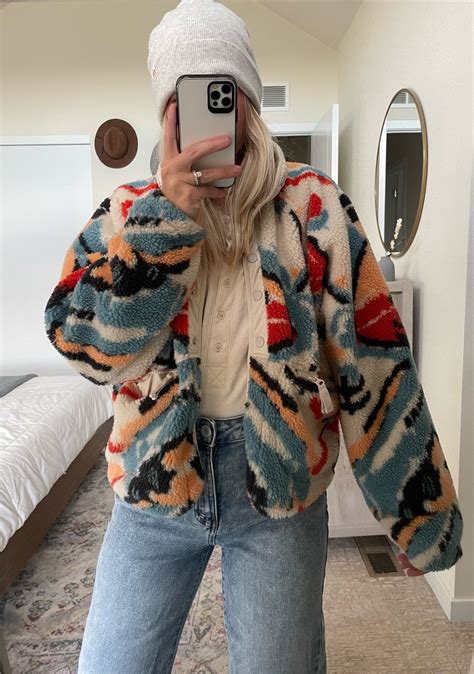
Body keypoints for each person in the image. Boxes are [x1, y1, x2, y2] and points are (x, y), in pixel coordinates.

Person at [43, 1, 464, 672]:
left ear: (248, 98)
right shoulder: (127, 212)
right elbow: (81, 345)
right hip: (152, 483)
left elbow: (374, 361)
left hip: (280, 485)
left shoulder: (312, 206)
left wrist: (416, 513)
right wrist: (163, 225)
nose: (207, 112)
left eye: (222, 90)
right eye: (184, 97)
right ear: (164, 111)